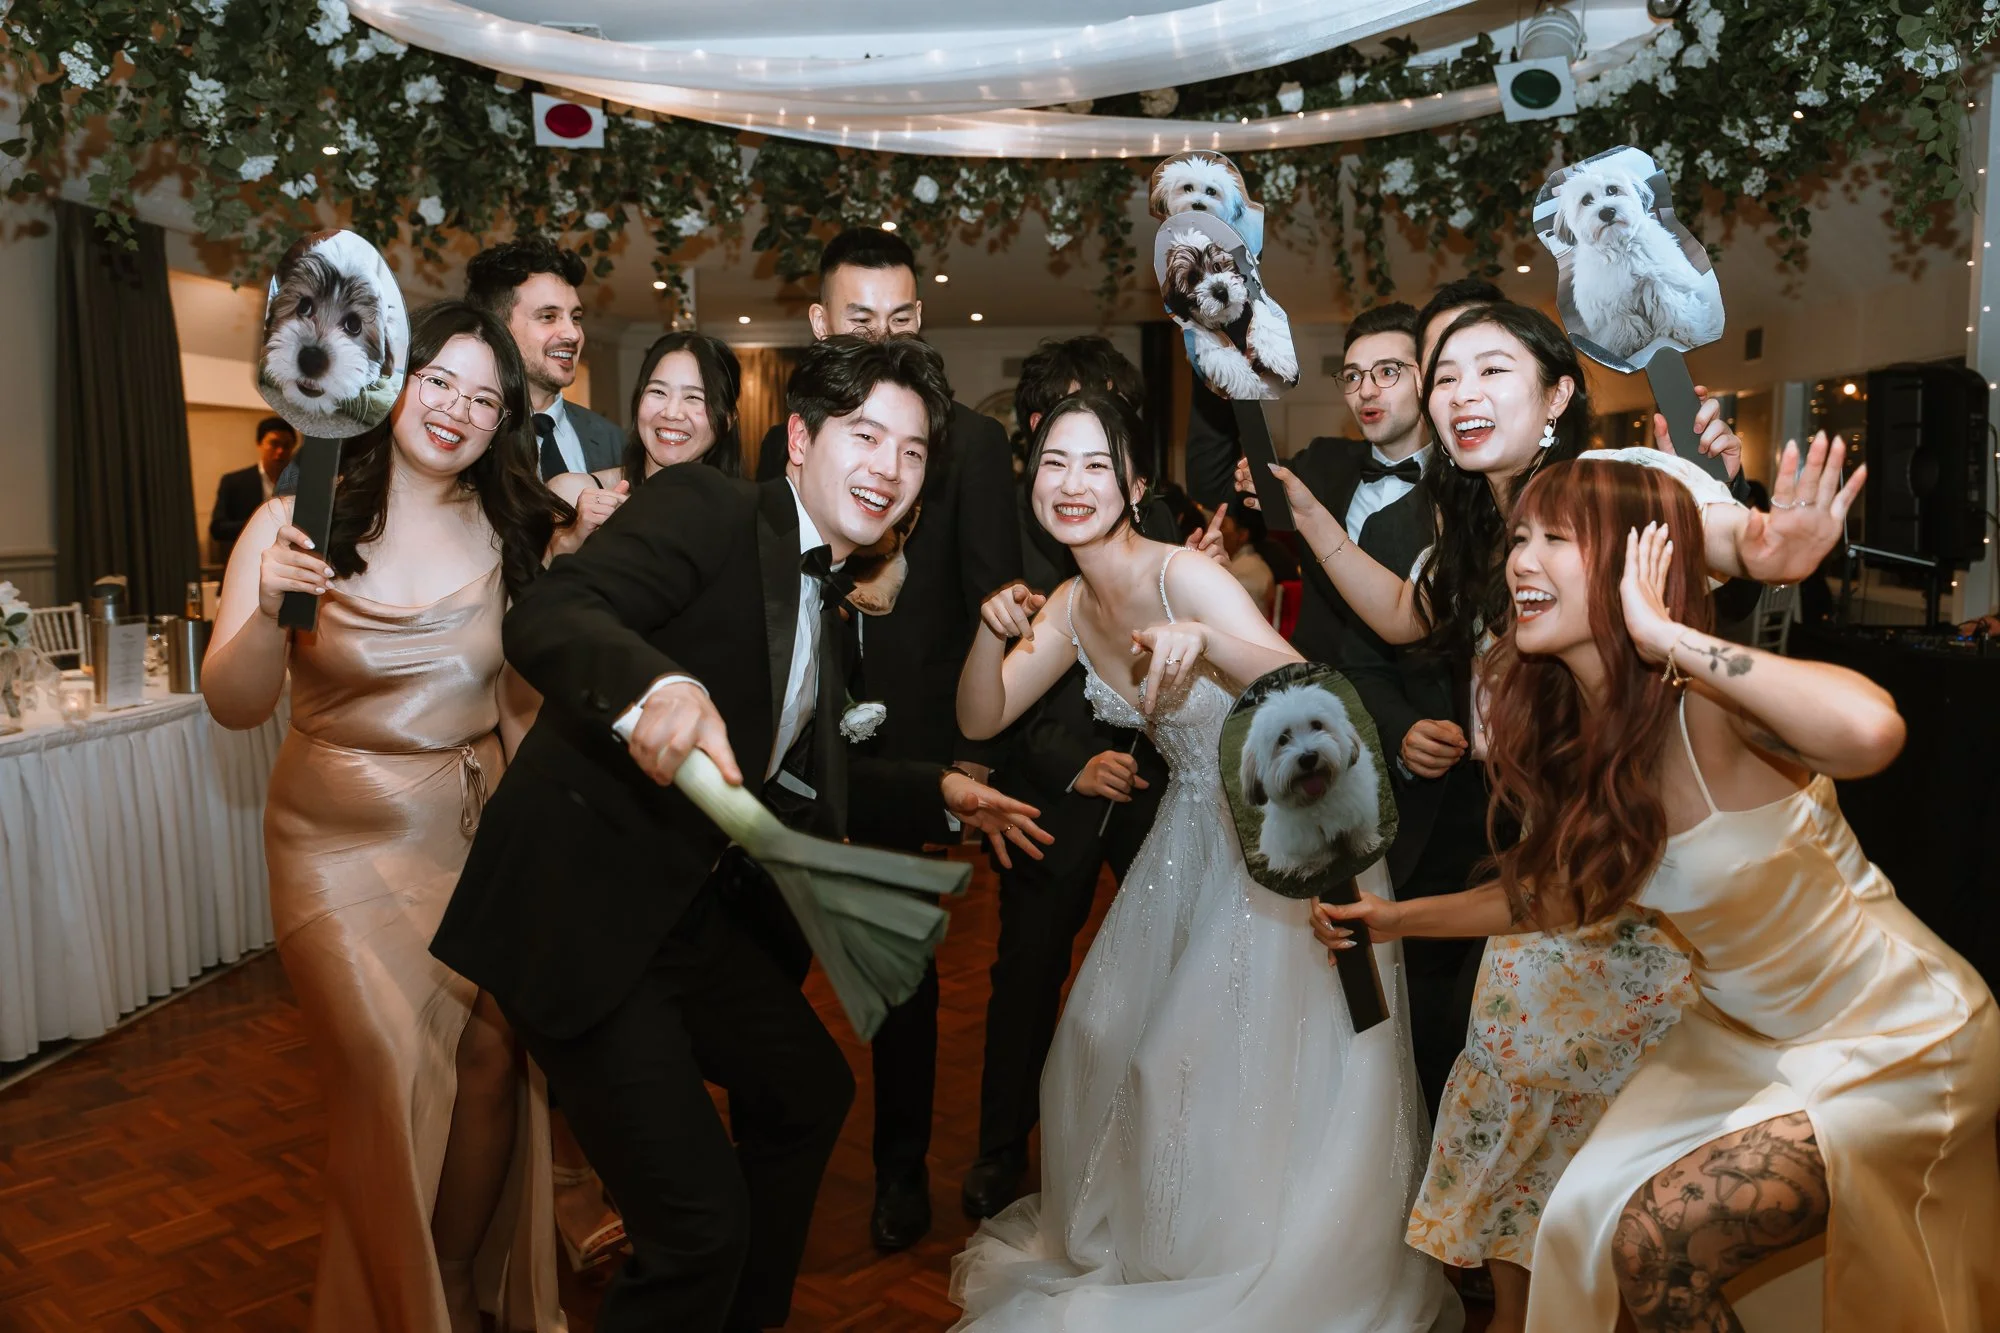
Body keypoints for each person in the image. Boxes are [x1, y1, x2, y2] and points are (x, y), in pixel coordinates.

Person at [1244, 300, 1846, 1332]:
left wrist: (1762, 545)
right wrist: (1311, 523)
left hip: (1650, 886)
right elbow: (1403, 614)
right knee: (1520, 1165)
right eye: (1444, 375)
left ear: (1559, 392)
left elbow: (1713, 533)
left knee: (1629, 1185)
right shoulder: (1475, 533)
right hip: (1545, 874)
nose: (1460, 393)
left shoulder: (1616, 483)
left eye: (1491, 369)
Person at [429, 335, 1046, 1333]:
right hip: (580, 910)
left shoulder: (828, 595)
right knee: (698, 1230)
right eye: (865, 436)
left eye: (912, 450)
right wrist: (656, 686)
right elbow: (551, 615)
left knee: (807, 1092)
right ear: (798, 439)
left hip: (680, 909)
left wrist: (939, 793)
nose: (888, 467)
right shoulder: (707, 507)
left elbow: (797, 778)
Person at [1322, 455, 1998, 1333]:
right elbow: (1552, 896)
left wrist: (1669, 635)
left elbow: (1871, 730)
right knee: (1582, 1219)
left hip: (1892, 1032)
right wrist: (1391, 920)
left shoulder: (1702, 707)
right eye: (1519, 538)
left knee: (1655, 1243)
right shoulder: (1583, 733)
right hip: (1735, 1038)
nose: (1522, 560)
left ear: (1638, 565)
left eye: (1557, 539)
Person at [948, 388, 1459, 1331]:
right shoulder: (1068, 605)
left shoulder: (1182, 573)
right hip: (1187, 832)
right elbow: (983, 717)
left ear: (1135, 481)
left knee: (1203, 1061)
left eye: (1096, 463)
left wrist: (1206, 636)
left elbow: (1300, 680)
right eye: (1054, 462)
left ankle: (1253, 1258)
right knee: (1101, 1031)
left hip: (1273, 837)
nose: (1071, 483)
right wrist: (987, 630)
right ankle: (1165, 1247)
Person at [201, 302, 571, 1333]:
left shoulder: (510, 534)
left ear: (503, 424)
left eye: (485, 399)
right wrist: (269, 607)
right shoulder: (297, 519)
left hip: (471, 828)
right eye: (437, 379)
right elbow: (234, 703)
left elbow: (519, 714)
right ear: (391, 382)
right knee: (385, 1064)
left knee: (494, 1058)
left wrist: (554, 858)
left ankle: (449, 1280)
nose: (456, 409)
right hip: (334, 845)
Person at [754, 226, 1024, 1251]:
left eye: (901, 319)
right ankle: (757, 1168)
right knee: (770, 957)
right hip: (791, 744)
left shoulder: (971, 445)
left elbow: (993, 597)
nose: (883, 337)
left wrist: (969, 756)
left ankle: (899, 1170)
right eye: (859, 319)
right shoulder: (788, 437)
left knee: (899, 967)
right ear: (819, 323)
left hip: (909, 749)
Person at [961, 339, 1182, 1221]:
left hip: (1159, 789)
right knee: (1026, 974)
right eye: (1066, 432)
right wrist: (1070, 763)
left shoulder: (1166, 534)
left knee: (1171, 974)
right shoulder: (1009, 527)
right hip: (1047, 788)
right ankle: (999, 1147)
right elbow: (995, 688)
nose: (1083, 465)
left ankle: (1152, 1149)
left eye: (1110, 428)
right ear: (1035, 427)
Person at [1263, 298, 1485, 1126]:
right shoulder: (1345, 480)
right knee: (1354, 969)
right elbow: (1381, 634)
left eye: (1387, 371)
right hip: (1348, 743)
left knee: (1446, 994)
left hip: (1470, 785)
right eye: (1352, 374)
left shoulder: (1469, 496)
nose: (1366, 389)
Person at [547, 331, 744, 558]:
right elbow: (540, 577)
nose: (671, 413)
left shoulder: (741, 515)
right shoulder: (575, 493)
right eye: (658, 392)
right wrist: (576, 536)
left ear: (728, 419)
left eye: (693, 397)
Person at [466, 237, 624, 481]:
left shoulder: (613, 441)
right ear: (497, 328)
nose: (573, 334)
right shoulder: (464, 428)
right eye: (548, 317)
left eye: (576, 318)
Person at [208, 416, 297, 565]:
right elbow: (218, 528)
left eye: (287, 445)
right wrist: (262, 523)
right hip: (246, 563)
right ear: (259, 443)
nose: (280, 451)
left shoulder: (302, 483)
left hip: (290, 565)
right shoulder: (234, 482)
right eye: (274, 444)